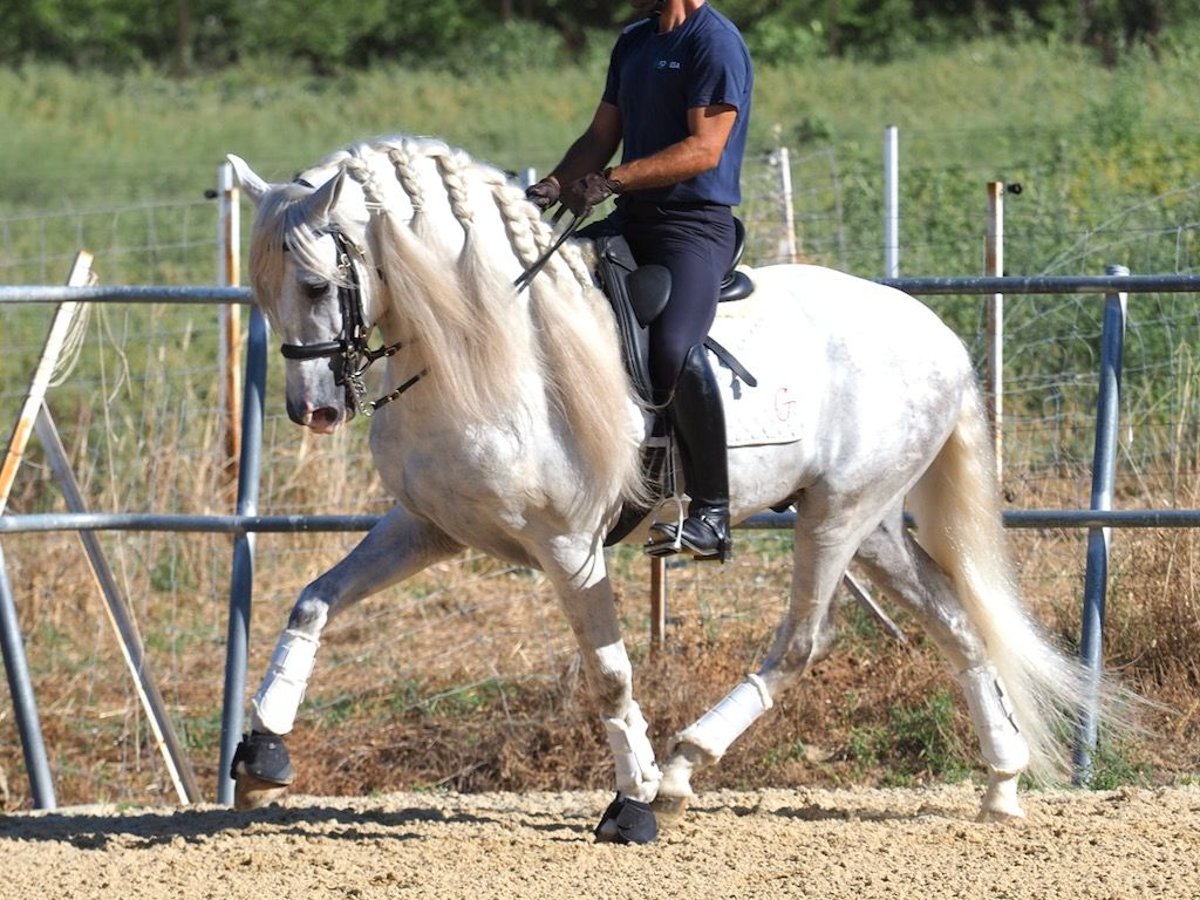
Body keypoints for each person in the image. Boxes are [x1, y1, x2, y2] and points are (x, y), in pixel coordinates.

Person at [526, 0, 753, 563]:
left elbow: (706, 148)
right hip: (631, 218)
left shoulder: (714, 43)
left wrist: (612, 181)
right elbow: (602, 134)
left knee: (675, 348)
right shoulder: (634, 41)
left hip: (694, 228)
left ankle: (711, 513)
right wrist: (553, 185)